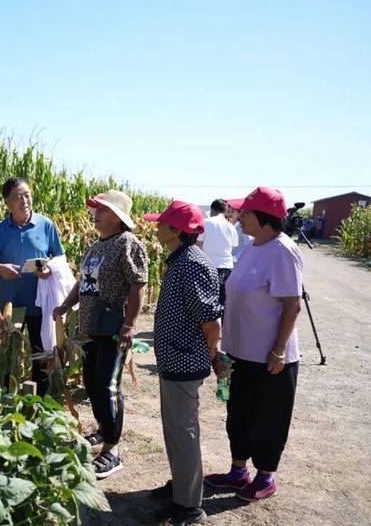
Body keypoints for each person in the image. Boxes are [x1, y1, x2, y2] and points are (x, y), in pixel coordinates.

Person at [204, 186, 303, 502]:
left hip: (268, 358)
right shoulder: (249, 248)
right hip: (238, 353)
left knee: (267, 417)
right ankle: (237, 471)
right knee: (238, 413)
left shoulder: (282, 251)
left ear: (263, 218)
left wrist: (277, 351)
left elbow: (292, 306)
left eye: (244, 212)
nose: (238, 216)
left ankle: (266, 476)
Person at [52, 190, 148, 479]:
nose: (96, 215)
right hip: (89, 330)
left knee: (108, 387)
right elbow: (83, 283)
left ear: (118, 217)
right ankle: (105, 430)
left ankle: (113, 449)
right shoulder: (95, 247)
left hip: (112, 329)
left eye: (102, 211)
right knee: (92, 384)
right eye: (96, 210)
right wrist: (66, 305)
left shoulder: (126, 243)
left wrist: (129, 326)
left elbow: (137, 285)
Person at [143, 200, 223, 525]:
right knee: (175, 430)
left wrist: (214, 355)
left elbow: (211, 322)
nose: (156, 227)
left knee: (184, 431)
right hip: (175, 359)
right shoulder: (180, 260)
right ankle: (181, 488)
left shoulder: (192, 264)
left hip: (185, 361)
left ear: (176, 230)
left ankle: (190, 506)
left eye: (162, 223)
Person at [0, 177, 65, 396]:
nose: (24, 200)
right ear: (7, 202)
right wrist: (0, 269)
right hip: (11, 305)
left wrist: (48, 270)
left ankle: (40, 400)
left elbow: (60, 258)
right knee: (9, 353)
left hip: (39, 303)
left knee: (40, 352)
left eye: (27, 195)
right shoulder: (0, 231)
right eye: (18, 197)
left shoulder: (45, 225)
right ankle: (6, 397)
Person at [197, 199, 238, 304]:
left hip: (208, 267)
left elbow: (198, 245)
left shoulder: (206, 223)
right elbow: (232, 248)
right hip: (227, 268)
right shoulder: (231, 227)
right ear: (225, 211)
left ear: (211, 210)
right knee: (222, 301)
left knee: (207, 301)